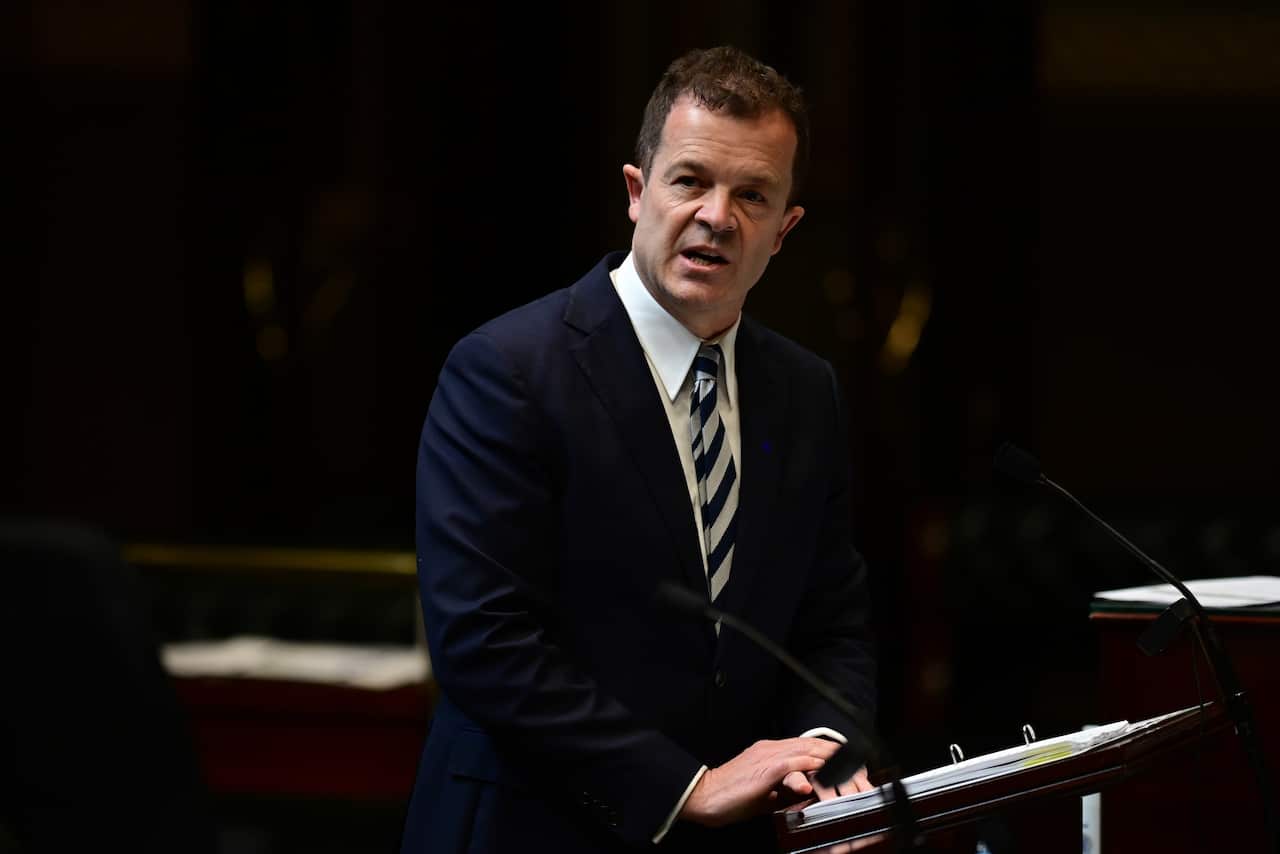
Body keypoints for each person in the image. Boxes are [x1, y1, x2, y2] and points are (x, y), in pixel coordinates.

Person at [401, 46, 877, 853]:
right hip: (533, 828)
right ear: (637, 192)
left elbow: (830, 621)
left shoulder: (805, 390)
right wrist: (683, 787)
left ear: (785, 229)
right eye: (690, 180)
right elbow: (486, 643)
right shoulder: (508, 368)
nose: (718, 217)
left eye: (752, 194)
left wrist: (826, 756)